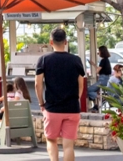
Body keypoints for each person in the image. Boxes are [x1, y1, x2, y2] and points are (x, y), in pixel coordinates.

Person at [34, 28, 86, 161]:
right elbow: (81, 84)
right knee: (68, 146)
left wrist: (41, 103)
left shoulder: (44, 60)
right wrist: (76, 99)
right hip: (72, 108)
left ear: (51, 42)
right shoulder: (76, 60)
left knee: (51, 141)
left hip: (52, 108)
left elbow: (37, 85)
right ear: (66, 42)